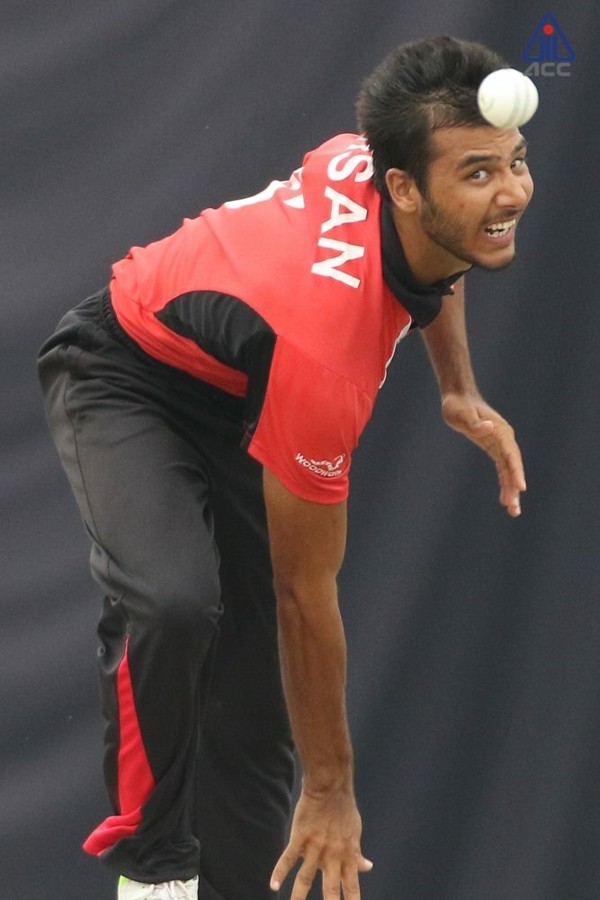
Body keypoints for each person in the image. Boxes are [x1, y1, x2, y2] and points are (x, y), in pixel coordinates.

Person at [38, 34, 532, 900]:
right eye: (481, 172)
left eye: (516, 164)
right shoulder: (328, 353)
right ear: (404, 190)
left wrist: (458, 388)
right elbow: (310, 592)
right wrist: (334, 790)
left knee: (255, 702)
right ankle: (151, 871)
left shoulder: (372, 155)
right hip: (123, 372)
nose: (513, 194)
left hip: (242, 386)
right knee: (176, 599)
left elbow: (445, 254)